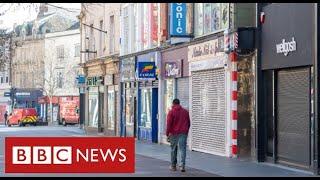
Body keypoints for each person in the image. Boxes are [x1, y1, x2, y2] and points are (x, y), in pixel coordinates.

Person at [166, 99, 190, 172]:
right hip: (183, 133)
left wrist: (167, 133)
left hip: (173, 133)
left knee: (173, 149)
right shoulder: (185, 112)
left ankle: (173, 166)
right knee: (183, 149)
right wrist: (186, 131)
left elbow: (169, 124)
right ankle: (182, 166)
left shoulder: (171, 112)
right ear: (179, 103)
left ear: (173, 104)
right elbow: (189, 123)